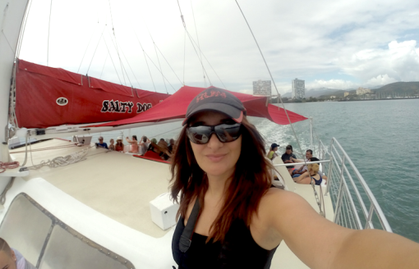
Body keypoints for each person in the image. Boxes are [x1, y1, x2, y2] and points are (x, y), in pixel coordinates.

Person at [170, 87, 419, 269]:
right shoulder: (192, 189)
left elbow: (342, 248)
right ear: (188, 140)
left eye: (228, 129)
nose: (213, 143)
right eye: (200, 132)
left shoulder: (269, 205)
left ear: (244, 137)